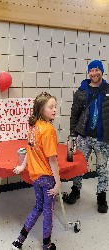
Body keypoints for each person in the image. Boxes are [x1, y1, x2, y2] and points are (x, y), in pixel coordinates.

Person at [12, 92, 61, 250]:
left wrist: (22, 166)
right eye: (50, 106)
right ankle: (46, 245)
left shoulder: (34, 127)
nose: (54, 109)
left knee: (38, 207)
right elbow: (52, 159)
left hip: (35, 177)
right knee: (48, 211)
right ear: (41, 109)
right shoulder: (48, 130)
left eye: (55, 106)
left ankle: (19, 241)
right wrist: (58, 182)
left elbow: (29, 150)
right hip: (47, 178)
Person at [63, 60, 109, 213]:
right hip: (83, 136)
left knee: (102, 169)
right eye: (92, 70)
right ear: (88, 73)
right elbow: (74, 115)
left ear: (102, 71)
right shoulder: (81, 91)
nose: (94, 73)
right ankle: (76, 190)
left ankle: (101, 196)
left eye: (97, 70)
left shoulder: (108, 90)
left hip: (102, 139)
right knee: (78, 166)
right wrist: (72, 135)